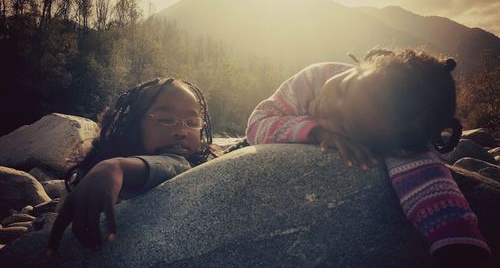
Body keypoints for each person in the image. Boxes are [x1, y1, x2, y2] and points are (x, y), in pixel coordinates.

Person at [246, 49, 491, 267]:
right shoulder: (315, 78)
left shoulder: (393, 128)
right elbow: (257, 124)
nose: (330, 105)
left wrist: (458, 239)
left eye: (344, 122)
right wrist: (316, 130)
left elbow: (426, 174)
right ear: (365, 63)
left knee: (415, 163)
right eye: (342, 89)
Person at [47, 78, 216, 255]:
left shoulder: (200, 166)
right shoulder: (96, 177)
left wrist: (117, 167)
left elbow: (177, 165)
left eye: (193, 122)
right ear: (133, 125)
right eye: (166, 119)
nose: (182, 131)